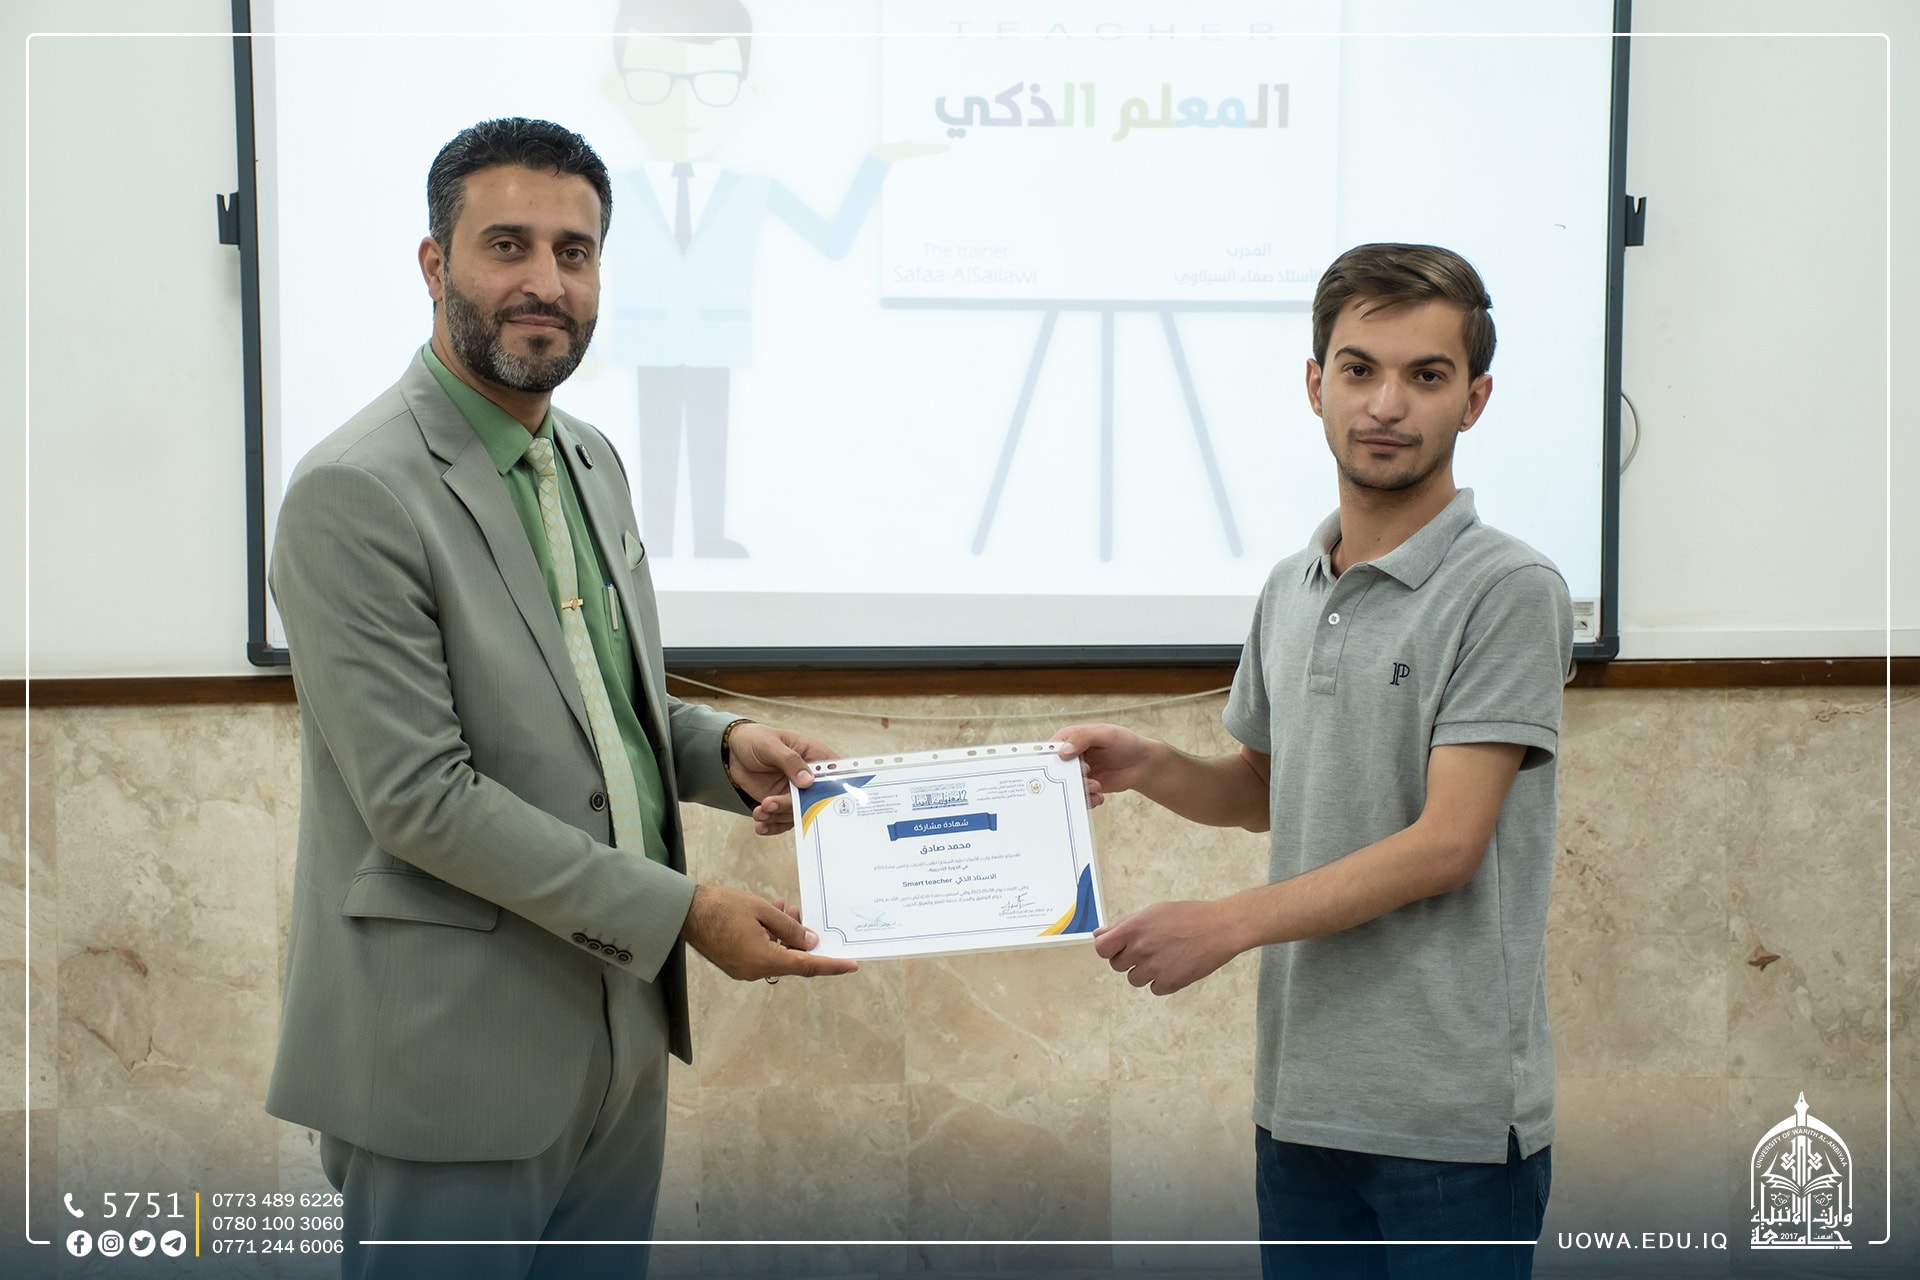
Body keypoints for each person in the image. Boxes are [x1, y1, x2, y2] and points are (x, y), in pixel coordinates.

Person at [266, 117, 856, 1280]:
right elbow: (421, 798)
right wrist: (686, 912)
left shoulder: (588, 459)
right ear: (434, 263)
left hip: (617, 1040)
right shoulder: (354, 490)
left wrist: (723, 745)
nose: (547, 282)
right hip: (449, 1062)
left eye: (574, 253)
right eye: (509, 246)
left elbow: (589, 703)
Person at [1057, 244, 1574, 1279]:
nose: (1386, 403)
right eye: (1359, 369)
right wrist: (1149, 762)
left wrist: (1224, 924)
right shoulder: (1291, 586)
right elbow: (1262, 788)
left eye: (1426, 375)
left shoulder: (1510, 589)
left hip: (1450, 1126)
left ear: (1473, 400)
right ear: (1314, 385)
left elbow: (1447, 844)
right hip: (1300, 1107)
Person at [602, 0, 939, 556]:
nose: (685, 104)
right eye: (655, 82)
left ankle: (708, 539)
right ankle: (654, 543)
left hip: (716, 339)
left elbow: (833, 240)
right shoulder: (609, 187)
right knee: (654, 445)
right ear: (618, 89)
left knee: (710, 443)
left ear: (747, 90)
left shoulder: (754, 187)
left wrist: (875, 163)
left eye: (711, 83)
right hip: (649, 339)